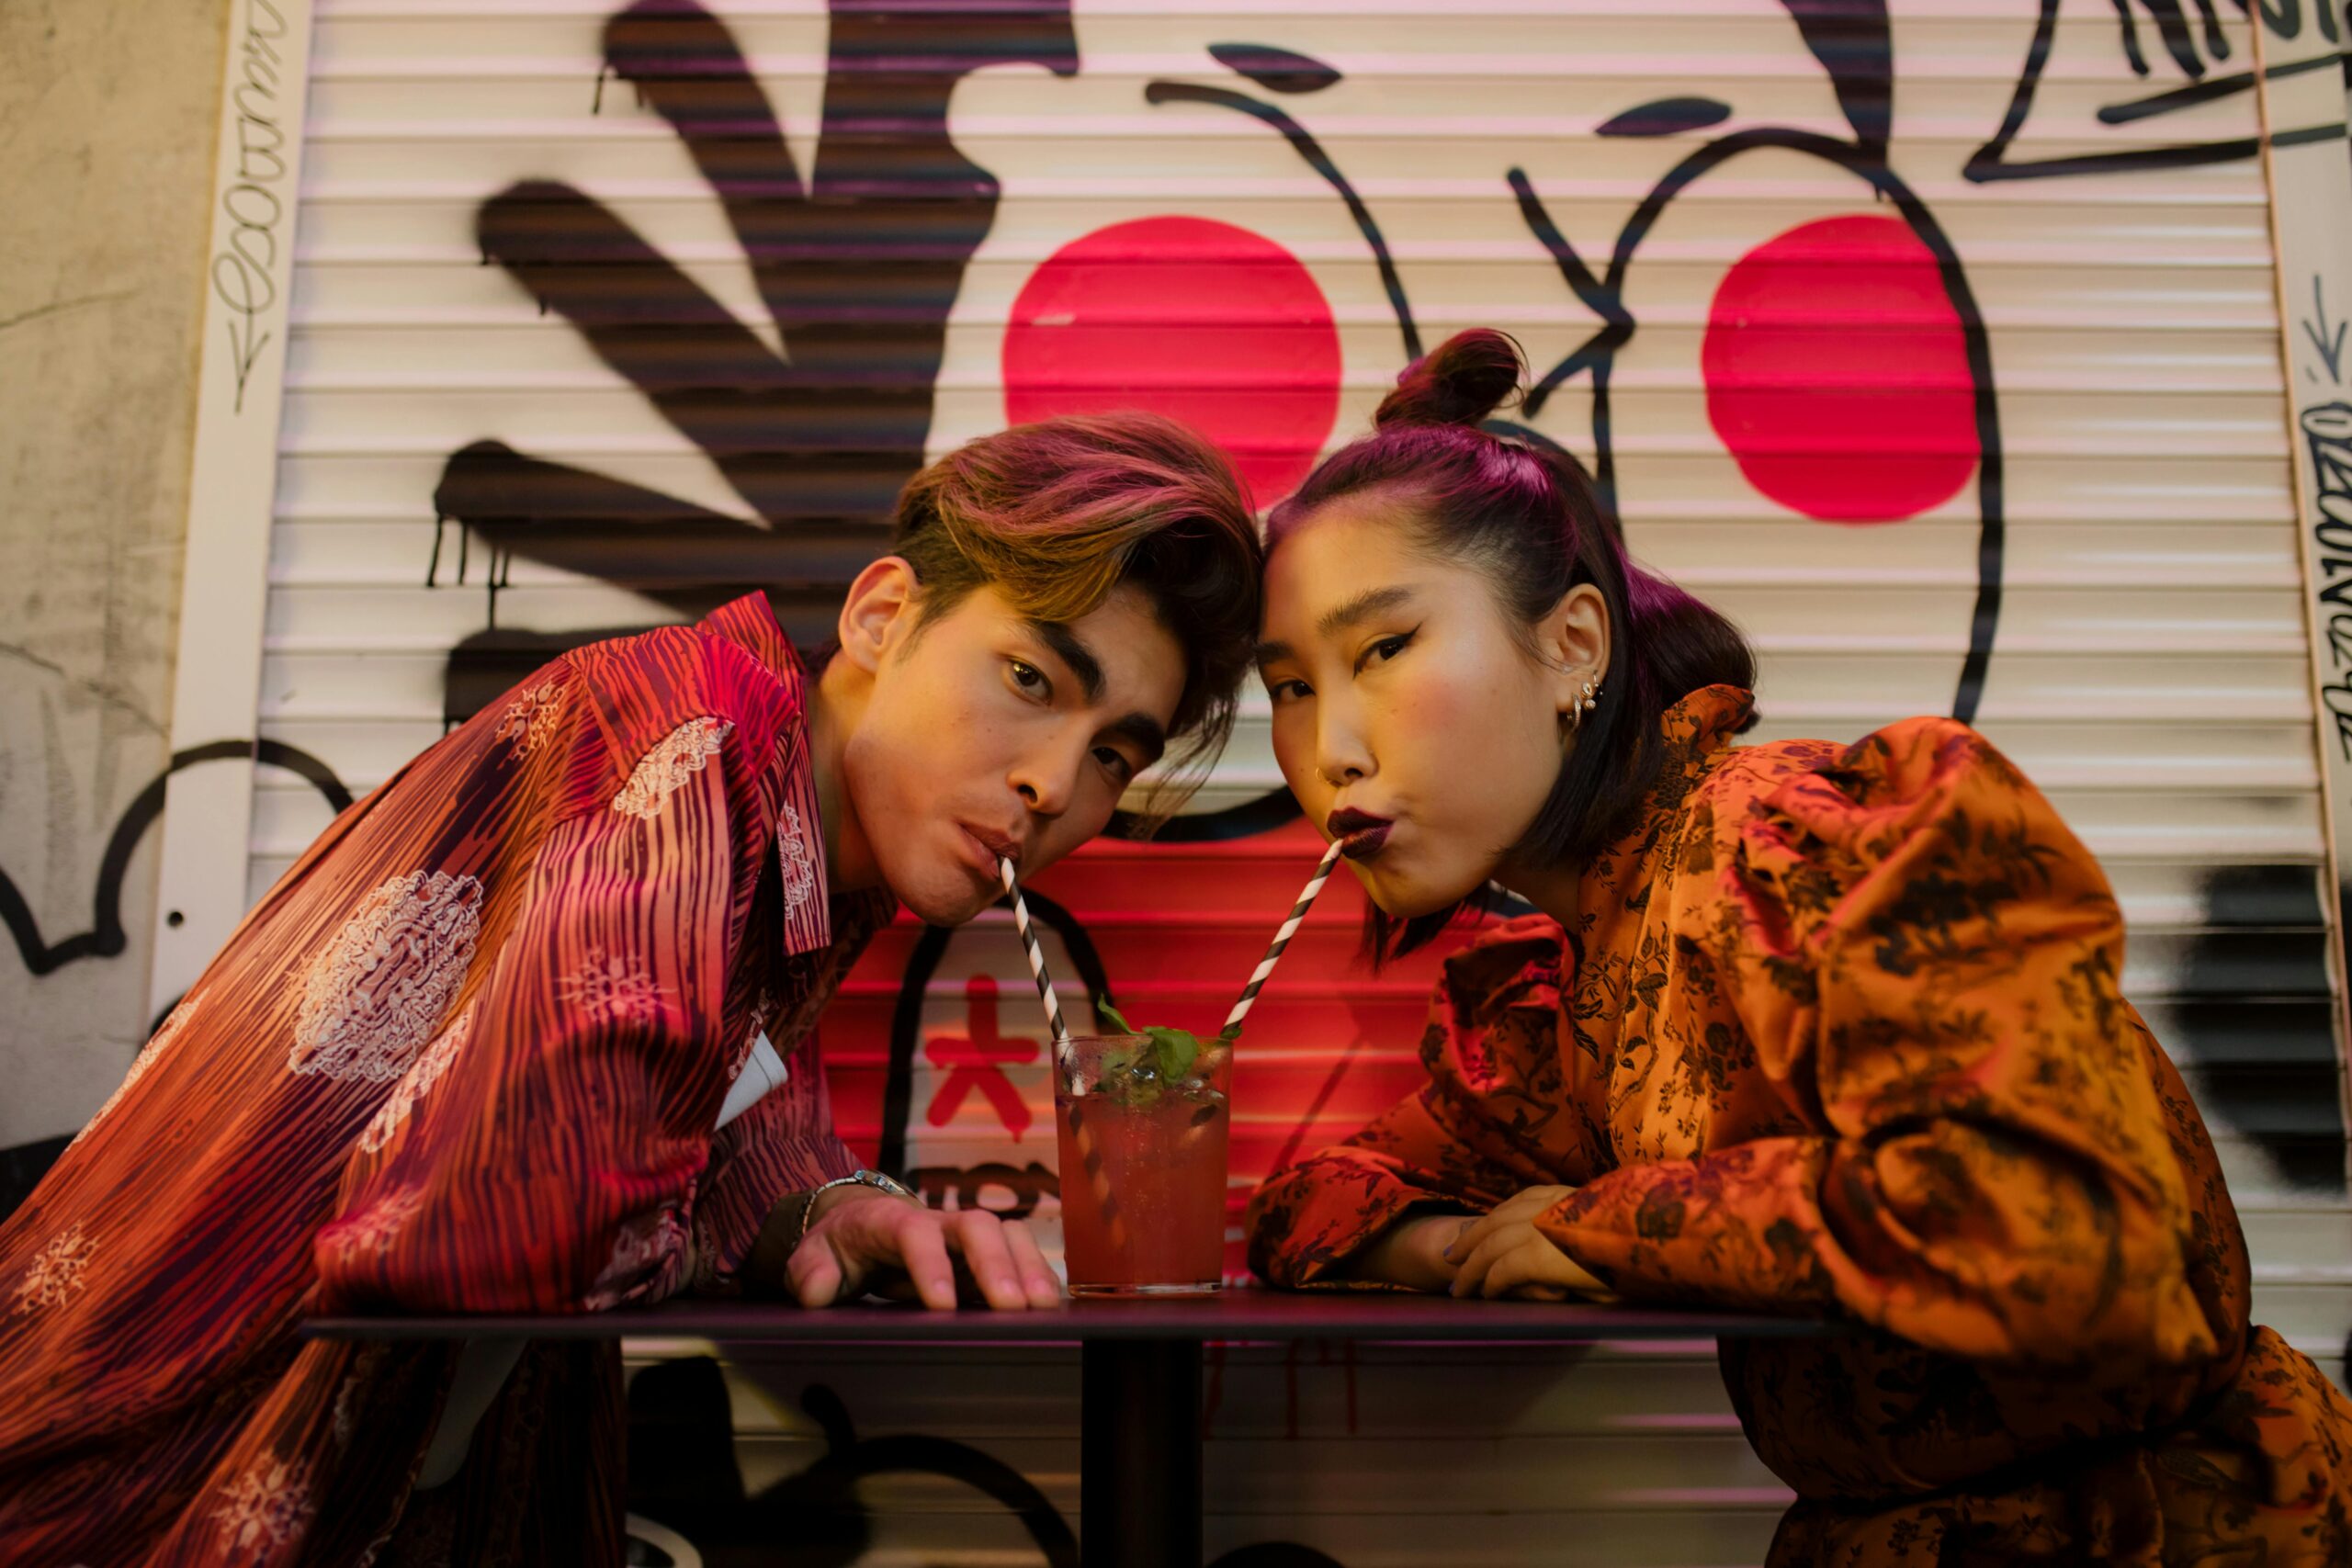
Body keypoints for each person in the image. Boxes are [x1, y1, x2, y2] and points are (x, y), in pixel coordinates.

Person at [0, 412, 1261, 1564]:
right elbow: (487, 1229)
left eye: (1112, 756)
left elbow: (723, 1110)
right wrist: (677, 1194)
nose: (1055, 787)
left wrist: (830, 1209)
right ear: (883, 619)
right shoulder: (694, 741)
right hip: (131, 1482)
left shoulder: (808, 846)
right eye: (1032, 682)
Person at [1245, 330, 2352, 1563]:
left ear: (1574, 646)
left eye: (1384, 650)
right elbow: (1309, 1203)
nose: (1328, 745)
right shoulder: (1568, 998)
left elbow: (2069, 1220)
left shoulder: (1775, 846)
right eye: (1287, 685)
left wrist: (1613, 1225)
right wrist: (1463, 1246)